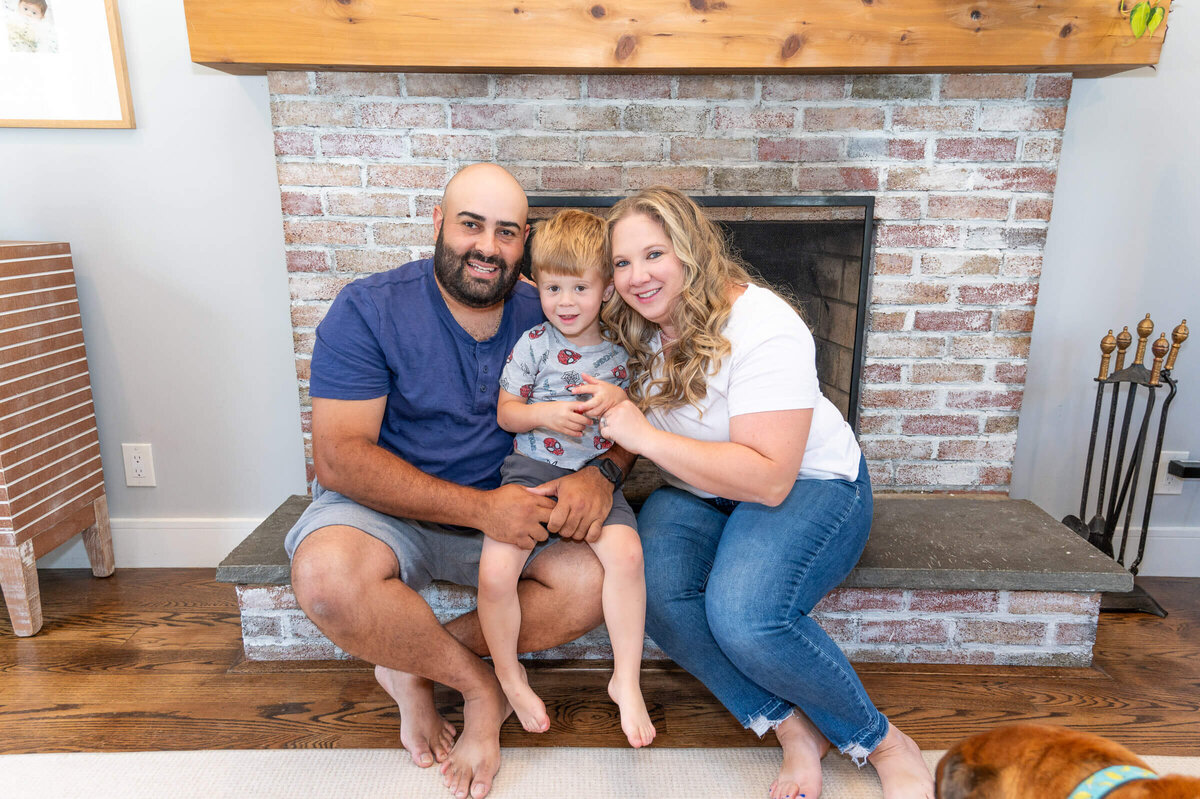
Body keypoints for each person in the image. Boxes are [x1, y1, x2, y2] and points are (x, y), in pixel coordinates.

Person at [285, 164, 635, 799]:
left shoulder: (556, 308)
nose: (487, 247)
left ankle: (410, 666)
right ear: (440, 223)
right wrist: (481, 510)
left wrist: (603, 475)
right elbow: (339, 458)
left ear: (524, 242)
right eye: (472, 225)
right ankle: (481, 689)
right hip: (389, 509)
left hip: (519, 502)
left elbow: (621, 414)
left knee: (592, 581)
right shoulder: (368, 308)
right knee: (328, 581)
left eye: (506, 233)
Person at [596, 187, 935, 799]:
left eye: (654, 254)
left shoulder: (763, 324)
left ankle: (883, 742)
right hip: (699, 490)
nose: (637, 277)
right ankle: (792, 728)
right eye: (622, 263)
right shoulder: (634, 325)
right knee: (661, 595)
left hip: (807, 485)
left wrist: (642, 436)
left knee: (747, 617)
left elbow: (769, 476)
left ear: (692, 251)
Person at [483, 209, 655, 748]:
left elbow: (637, 426)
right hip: (531, 469)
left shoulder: (623, 353)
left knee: (627, 556)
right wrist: (543, 415)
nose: (565, 302)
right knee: (496, 571)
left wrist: (619, 401)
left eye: (579, 287)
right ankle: (509, 675)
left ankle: (625, 679)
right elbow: (507, 413)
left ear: (606, 290)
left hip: (593, 475)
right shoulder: (533, 344)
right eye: (553, 287)